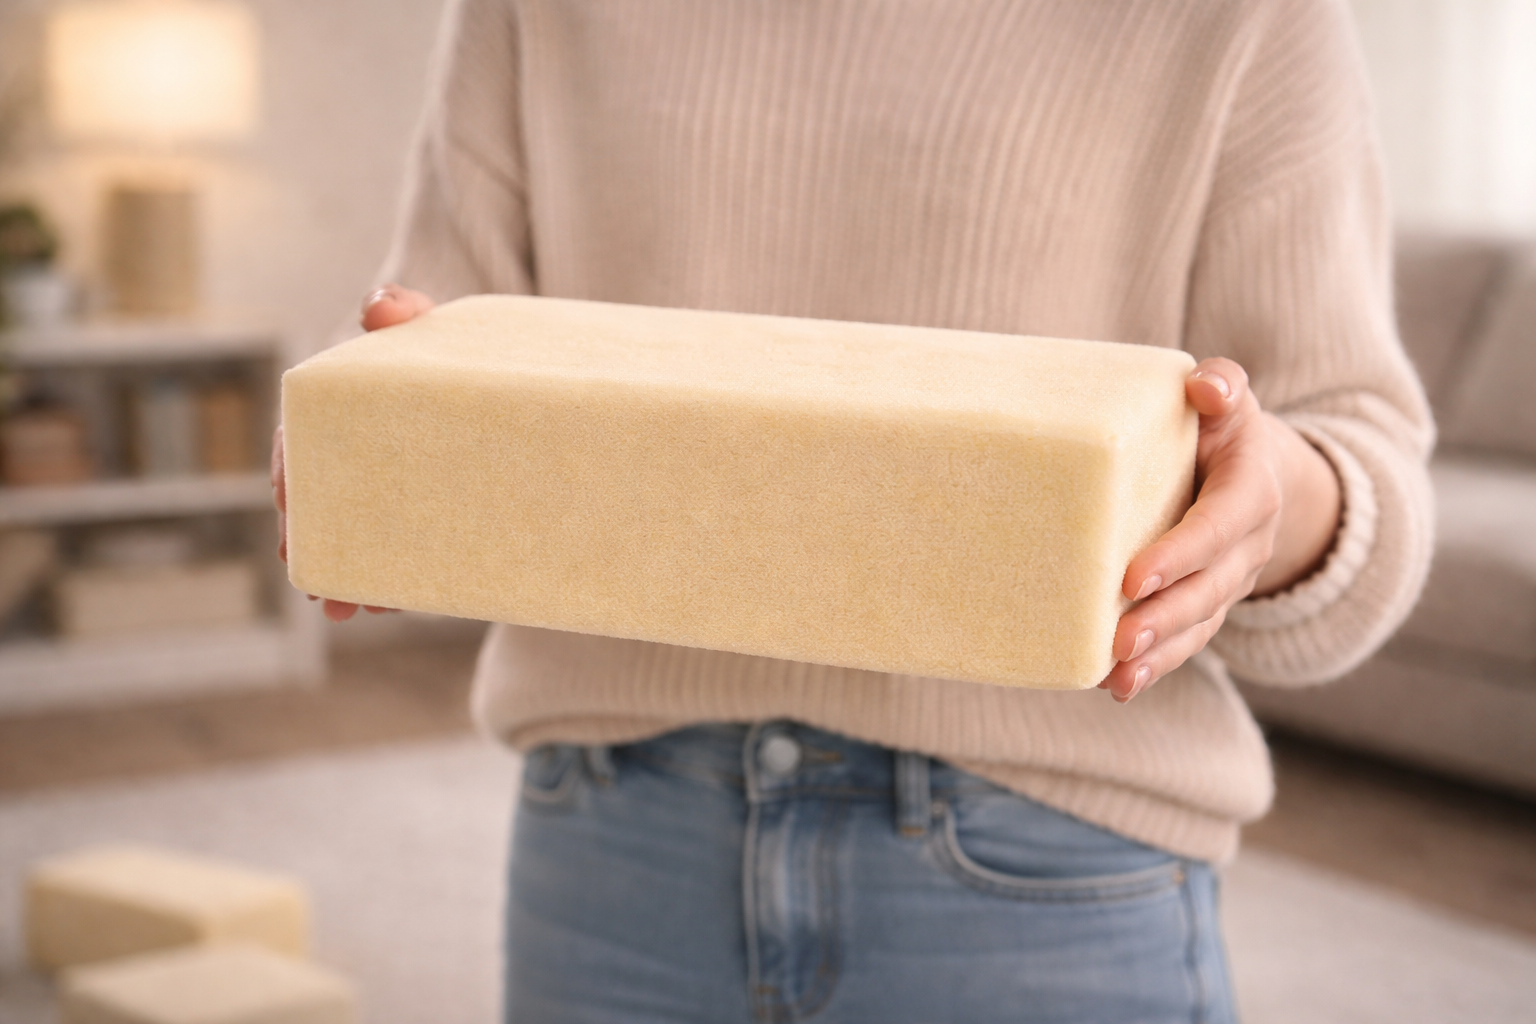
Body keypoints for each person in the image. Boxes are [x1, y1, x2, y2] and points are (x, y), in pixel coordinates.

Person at [272, 0, 1433, 1019]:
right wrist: (370, 435)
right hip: (611, 835)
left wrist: (1265, 501)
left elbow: (1358, 469)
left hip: (1044, 863)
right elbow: (439, 325)